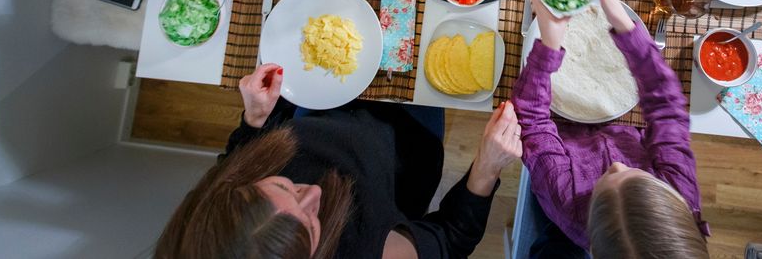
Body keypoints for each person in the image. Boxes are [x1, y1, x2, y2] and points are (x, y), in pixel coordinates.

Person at [156, 62, 523, 258]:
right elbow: (453, 240)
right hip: (406, 141)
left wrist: (254, 119)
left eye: (285, 185)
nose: (315, 192)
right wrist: (488, 166)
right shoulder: (364, 251)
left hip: (320, 108)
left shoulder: (218, 209)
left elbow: (237, 156)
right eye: (313, 222)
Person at [512, 0, 710, 257]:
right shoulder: (679, 194)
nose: (617, 165)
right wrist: (622, 23)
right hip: (621, 131)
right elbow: (668, 110)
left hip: (563, 140)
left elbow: (531, 120)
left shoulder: (566, 200)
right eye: (635, 174)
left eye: (605, 182)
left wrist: (549, 45)